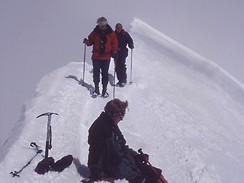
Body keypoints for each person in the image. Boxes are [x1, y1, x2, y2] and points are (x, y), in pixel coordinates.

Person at [87, 98, 168, 183]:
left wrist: (136, 156)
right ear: (114, 114)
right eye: (121, 116)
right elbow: (111, 159)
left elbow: (123, 147)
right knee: (150, 180)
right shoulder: (104, 131)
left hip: (123, 164)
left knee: (156, 174)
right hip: (113, 169)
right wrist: (135, 176)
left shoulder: (111, 125)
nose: (121, 119)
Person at [83, 17, 118, 97]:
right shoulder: (95, 32)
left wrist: (114, 51)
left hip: (106, 57)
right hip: (96, 56)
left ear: (106, 24)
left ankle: (104, 90)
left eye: (103, 24)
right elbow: (90, 41)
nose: (102, 26)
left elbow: (114, 43)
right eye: (100, 24)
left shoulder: (111, 33)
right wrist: (87, 42)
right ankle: (96, 89)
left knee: (105, 74)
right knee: (96, 73)